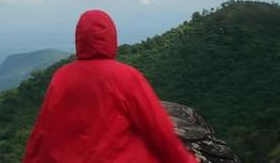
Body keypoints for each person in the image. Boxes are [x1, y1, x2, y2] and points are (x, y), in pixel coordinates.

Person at [23, 9, 198, 163]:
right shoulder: (126, 76)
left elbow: (41, 134)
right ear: (112, 38)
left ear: (79, 38)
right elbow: (157, 129)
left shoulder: (62, 77)